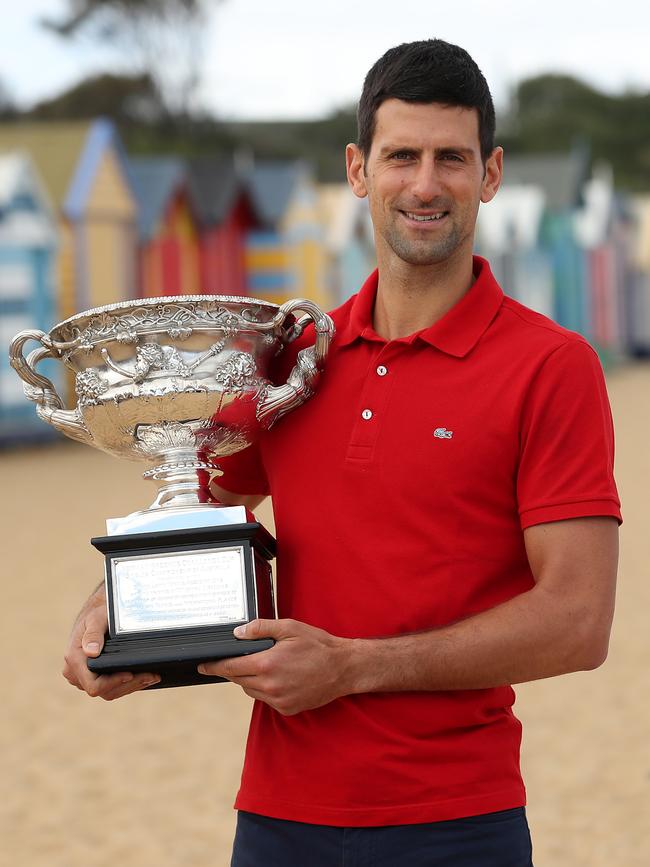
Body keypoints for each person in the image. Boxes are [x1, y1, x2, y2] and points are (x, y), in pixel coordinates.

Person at [63, 39, 621, 867]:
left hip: (458, 823)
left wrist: (353, 667)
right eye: (402, 156)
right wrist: (114, 608)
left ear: (492, 173)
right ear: (359, 170)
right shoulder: (289, 359)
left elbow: (578, 621)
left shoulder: (551, 365)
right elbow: (194, 503)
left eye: (451, 159)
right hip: (279, 819)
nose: (425, 185)